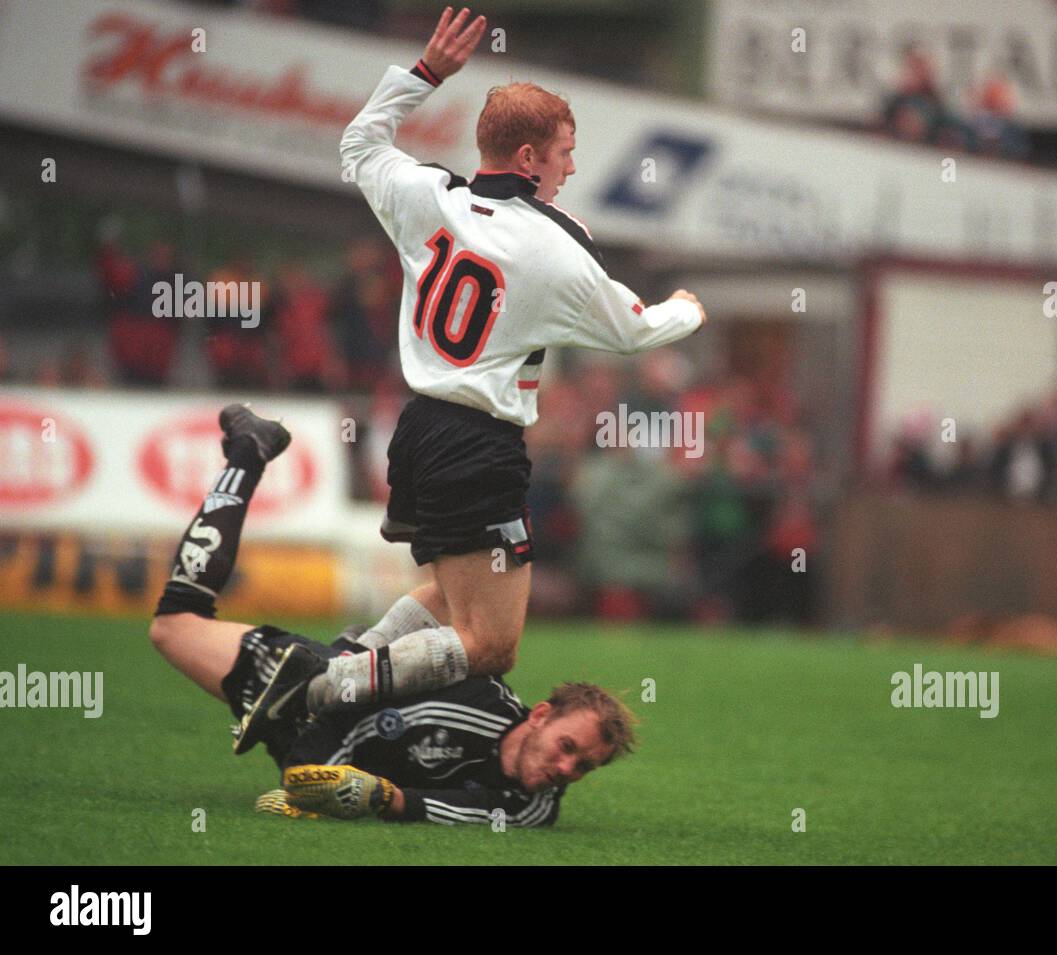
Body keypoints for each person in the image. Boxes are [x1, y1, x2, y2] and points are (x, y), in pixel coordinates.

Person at [236, 6, 707, 742]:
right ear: (528, 157)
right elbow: (633, 330)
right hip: (478, 444)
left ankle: (341, 657)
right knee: (491, 645)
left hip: (418, 431)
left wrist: (426, 74)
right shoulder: (554, 248)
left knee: (453, 600)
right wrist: (688, 309)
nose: (571, 168)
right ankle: (318, 685)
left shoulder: (426, 193)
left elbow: (359, 144)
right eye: (565, 153)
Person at [149, 403, 636, 826]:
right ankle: (250, 453)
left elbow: (419, 806)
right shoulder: (477, 699)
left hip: (313, 711)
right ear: (542, 717)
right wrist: (307, 770)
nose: (566, 770)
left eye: (583, 768)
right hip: (316, 701)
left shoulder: (535, 808)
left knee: (465, 616)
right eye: (568, 747)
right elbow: (348, 709)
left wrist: (371, 795)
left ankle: (256, 448)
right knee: (174, 625)